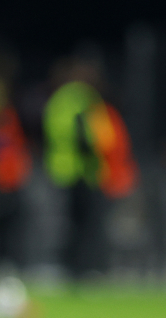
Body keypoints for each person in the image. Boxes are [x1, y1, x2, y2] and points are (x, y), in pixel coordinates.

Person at [43, 52, 138, 280]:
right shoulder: (82, 98)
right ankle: (84, 269)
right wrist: (94, 152)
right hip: (81, 172)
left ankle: (72, 268)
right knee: (86, 225)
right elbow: (91, 136)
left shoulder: (59, 98)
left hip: (62, 170)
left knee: (70, 225)